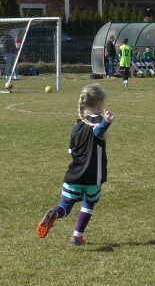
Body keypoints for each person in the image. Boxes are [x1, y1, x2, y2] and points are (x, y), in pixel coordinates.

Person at [37, 83, 114, 245]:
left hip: (73, 175)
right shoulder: (97, 122)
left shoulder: (77, 125)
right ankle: (77, 236)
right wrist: (106, 122)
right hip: (93, 176)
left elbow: (71, 151)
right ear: (99, 103)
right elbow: (98, 131)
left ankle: (54, 214)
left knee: (65, 206)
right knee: (88, 204)